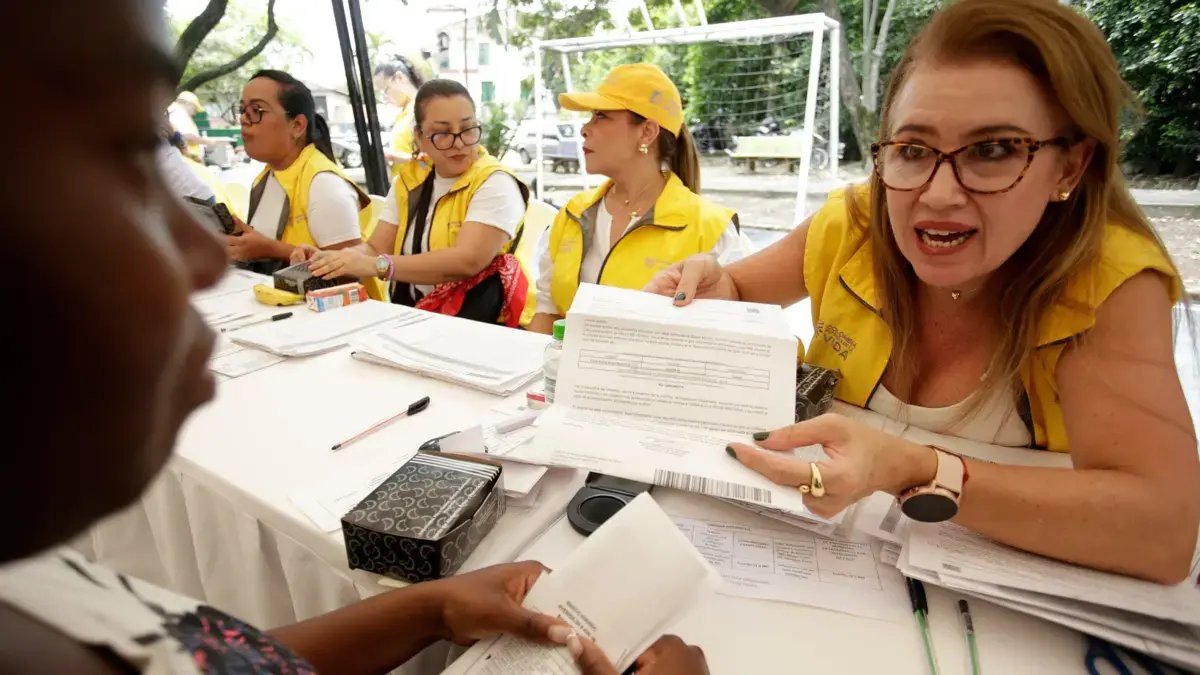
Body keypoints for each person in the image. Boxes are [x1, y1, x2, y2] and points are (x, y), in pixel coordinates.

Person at [0, 3, 707, 673]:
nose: (204, 251)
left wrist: (429, 607)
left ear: (647, 130)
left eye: (467, 130)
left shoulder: (49, 594)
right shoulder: (504, 201)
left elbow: (230, 657)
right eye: (127, 157)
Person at [646, 0, 1199, 584]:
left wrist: (918, 469)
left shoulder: (1107, 280)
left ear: (1070, 168)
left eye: (992, 151)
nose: (937, 195)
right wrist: (711, 286)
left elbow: (1162, 534)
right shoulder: (855, 223)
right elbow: (735, 285)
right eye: (913, 151)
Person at [295, 79, 534, 327]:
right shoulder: (410, 182)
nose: (459, 143)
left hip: (478, 326)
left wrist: (376, 266)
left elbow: (467, 260)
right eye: (443, 133)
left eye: (467, 129)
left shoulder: (495, 182)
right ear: (419, 136)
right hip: (415, 319)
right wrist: (329, 259)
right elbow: (375, 249)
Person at [529, 63, 746, 335]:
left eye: (601, 116)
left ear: (647, 132)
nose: (585, 128)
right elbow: (547, 312)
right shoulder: (572, 214)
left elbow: (737, 332)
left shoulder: (713, 229)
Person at [233, 70, 376, 281]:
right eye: (241, 110)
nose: (244, 120)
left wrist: (270, 249)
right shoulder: (266, 177)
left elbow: (350, 274)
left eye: (256, 110)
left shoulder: (325, 184)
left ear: (297, 125)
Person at [374, 54, 426, 180]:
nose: (385, 98)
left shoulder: (422, 111)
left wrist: (393, 156)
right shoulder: (403, 115)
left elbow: (431, 162)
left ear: (399, 78)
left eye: (385, 90)